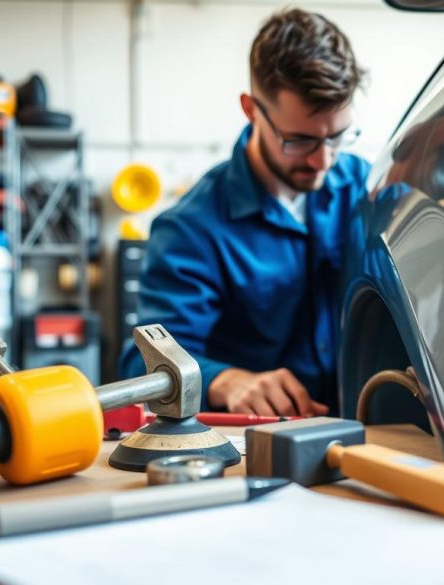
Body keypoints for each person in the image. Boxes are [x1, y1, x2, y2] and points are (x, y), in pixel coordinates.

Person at [120, 8, 369, 417]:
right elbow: (142, 367)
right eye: (300, 140)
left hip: (362, 436)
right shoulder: (192, 229)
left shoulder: (361, 186)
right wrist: (225, 380)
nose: (324, 160)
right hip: (252, 447)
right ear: (252, 110)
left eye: (338, 137)